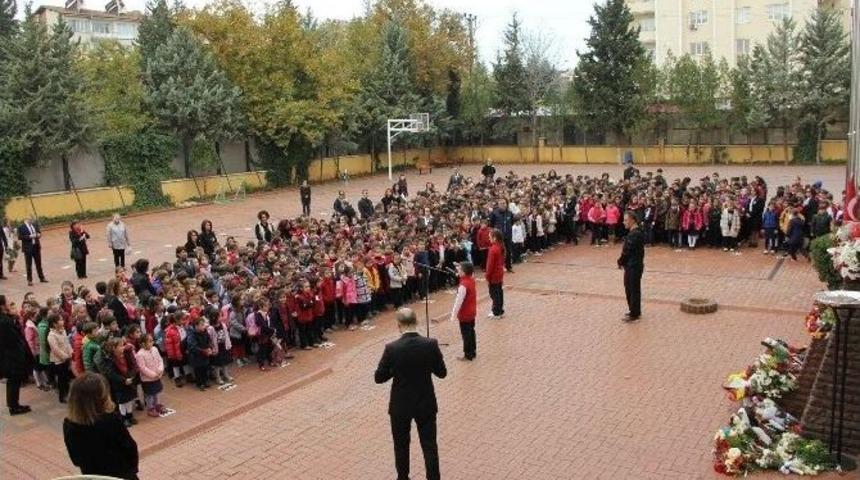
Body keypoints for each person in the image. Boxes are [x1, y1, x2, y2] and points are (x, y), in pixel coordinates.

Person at [374, 308, 447, 480]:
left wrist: (395, 370)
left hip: (401, 405)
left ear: (399, 325)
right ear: (417, 322)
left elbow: (379, 377)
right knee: (429, 445)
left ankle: (403, 477)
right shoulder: (431, 344)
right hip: (425, 402)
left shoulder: (392, 348)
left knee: (401, 445)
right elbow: (442, 373)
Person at [63, 372, 139, 480]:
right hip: (120, 473)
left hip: (93, 475)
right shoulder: (111, 420)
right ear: (101, 397)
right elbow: (129, 447)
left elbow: (76, 459)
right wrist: (132, 470)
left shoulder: (69, 424)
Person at [0, 295, 34, 415]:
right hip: (12, 357)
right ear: (3, 306)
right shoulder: (5, 322)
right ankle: (14, 407)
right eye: (8, 302)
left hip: (9, 356)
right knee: (14, 381)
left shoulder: (6, 318)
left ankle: (13, 404)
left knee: (13, 382)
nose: (10, 303)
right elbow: (14, 340)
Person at [617, 212, 645, 322]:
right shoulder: (636, 232)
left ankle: (634, 314)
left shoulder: (634, 234)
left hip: (633, 265)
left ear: (632, 220)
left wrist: (620, 261)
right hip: (634, 265)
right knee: (632, 289)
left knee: (632, 289)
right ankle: (634, 311)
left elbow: (627, 251)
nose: (624, 222)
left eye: (625, 220)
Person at [449, 261, 477, 361]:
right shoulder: (471, 280)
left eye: (460, 269)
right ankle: (473, 351)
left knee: (466, 334)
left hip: (465, 313)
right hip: (472, 311)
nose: (458, 270)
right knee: (471, 332)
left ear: (464, 272)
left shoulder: (463, 286)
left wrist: (453, 315)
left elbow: (458, 301)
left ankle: (468, 354)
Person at [47, 314, 73, 403]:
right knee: (61, 379)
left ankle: (68, 393)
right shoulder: (51, 335)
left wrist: (71, 352)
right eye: (60, 320)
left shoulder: (63, 331)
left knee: (66, 378)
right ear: (54, 324)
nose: (63, 321)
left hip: (67, 358)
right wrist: (66, 356)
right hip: (59, 361)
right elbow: (56, 350)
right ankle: (62, 397)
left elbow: (67, 343)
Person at [18, 216, 47, 286]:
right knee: (29, 265)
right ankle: (29, 280)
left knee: (38, 263)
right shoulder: (21, 227)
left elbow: (39, 233)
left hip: (36, 247)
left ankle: (42, 278)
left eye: (32, 219)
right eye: (30, 219)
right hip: (28, 248)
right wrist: (30, 236)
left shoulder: (35, 225)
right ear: (26, 219)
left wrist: (39, 235)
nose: (31, 220)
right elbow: (20, 237)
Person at [485, 229, 505, 318]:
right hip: (499, 272)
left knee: (494, 294)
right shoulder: (501, 246)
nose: (489, 239)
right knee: (499, 292)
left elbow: (490, 265)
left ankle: (496, 312)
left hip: (494, 274)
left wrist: (487, 275)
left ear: (495, 238)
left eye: (490, 237)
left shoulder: (493, 249)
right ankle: (500, 309)